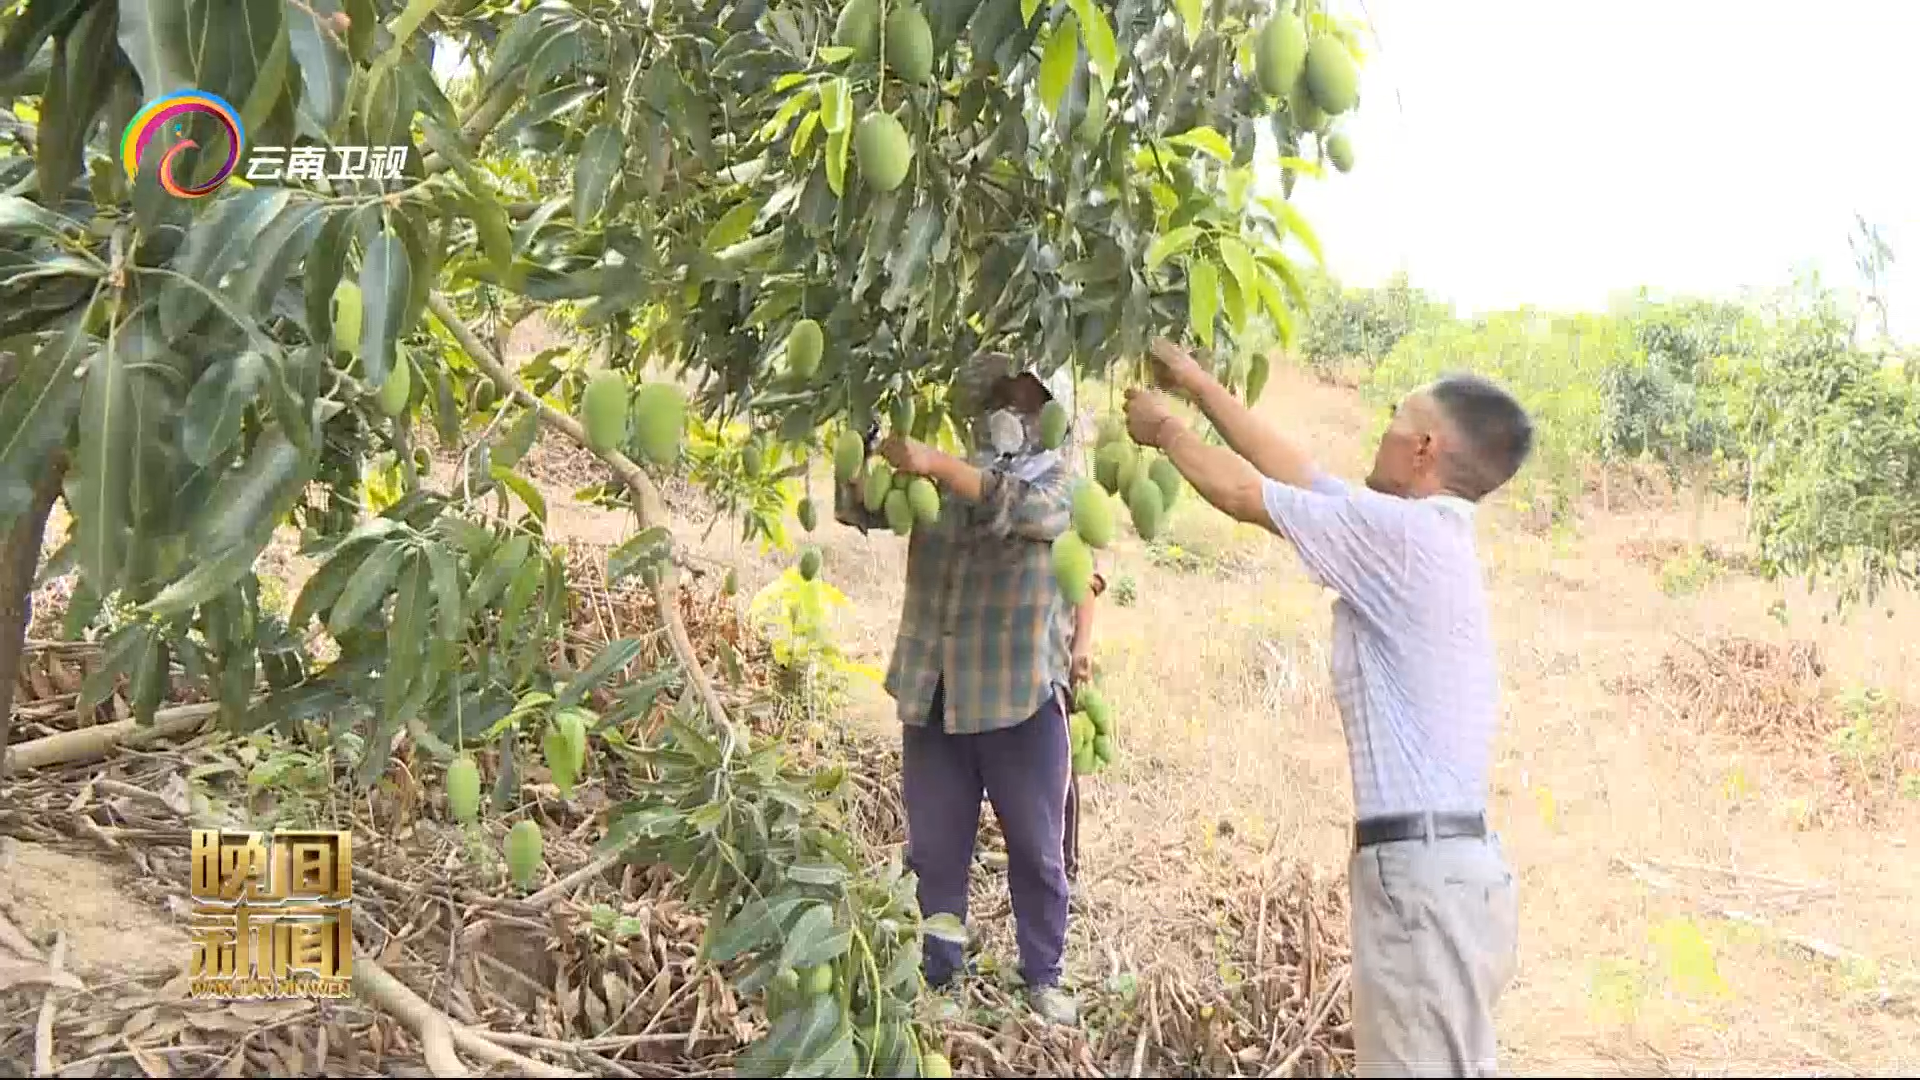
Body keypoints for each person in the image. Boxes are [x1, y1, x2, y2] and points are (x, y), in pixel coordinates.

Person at [1122, 338, 1530, 1078]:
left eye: (1395, 420)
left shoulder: (1402, 539)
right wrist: (1191, 382)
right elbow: (1296, 470)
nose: (1383, 431)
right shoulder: (1420, 534)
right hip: (1449, 878)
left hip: (1424, 890)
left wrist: (1166, 430)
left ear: (1424, 448)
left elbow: (1250, 497)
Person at [834, 352, 1085, 1026]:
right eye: (1003, 397)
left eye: (1028, 400)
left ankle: (1044, 975)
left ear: (1051, 416)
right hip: (938, 689)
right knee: (935, 850)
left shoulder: (1061, 484)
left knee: (1036, 847)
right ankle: (939, 976)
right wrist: (861, 434)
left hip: (1019, 696)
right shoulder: (940, 476)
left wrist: (940, 467)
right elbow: (862, 505)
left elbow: (1028, 513)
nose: (1013, 411)